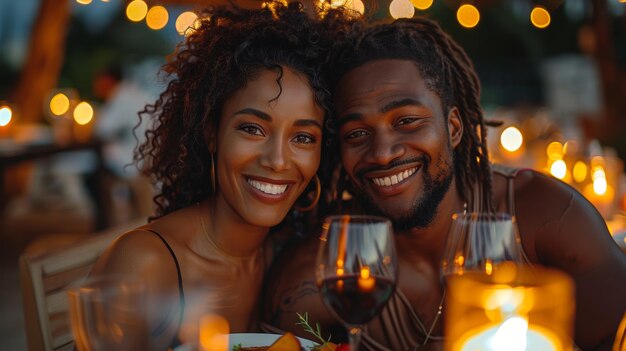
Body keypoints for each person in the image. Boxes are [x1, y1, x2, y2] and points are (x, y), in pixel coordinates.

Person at [262, 17, 626, 350]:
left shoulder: (545, 218)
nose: (384, 153)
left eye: (407, 121)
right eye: (356, 133)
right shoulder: (319, 277)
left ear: (453, 128)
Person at [89, 2, 355, 349]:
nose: (277, 161)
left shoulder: (291, 258)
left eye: (303, 137)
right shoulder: (145, 265)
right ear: (212, 132)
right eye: (252, 128)